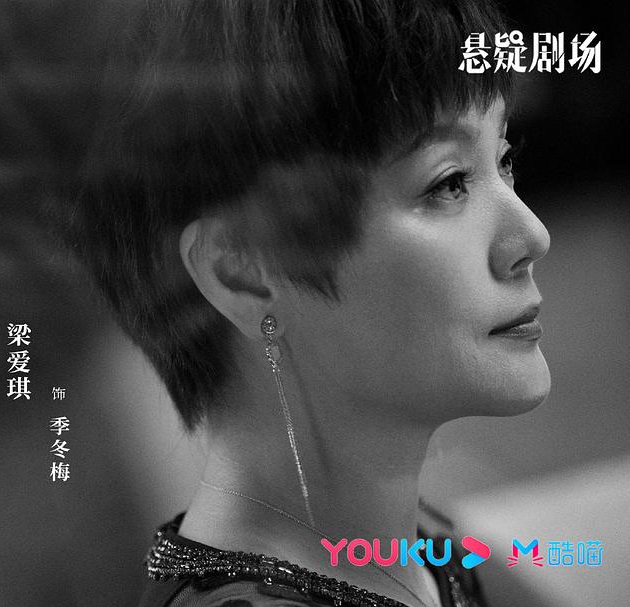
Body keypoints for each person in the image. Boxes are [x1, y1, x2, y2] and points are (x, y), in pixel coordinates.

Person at [62, 0, 550, 606]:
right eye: (448, 182)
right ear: (242, 272)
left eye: (504, 159)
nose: (532, 236)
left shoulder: (436, 557)